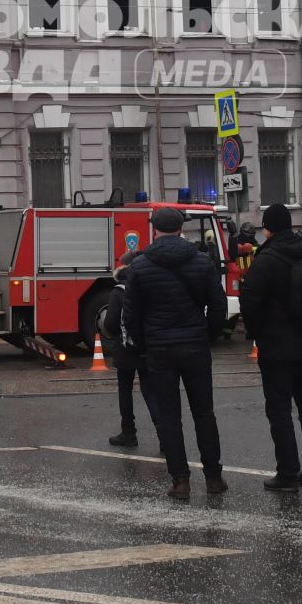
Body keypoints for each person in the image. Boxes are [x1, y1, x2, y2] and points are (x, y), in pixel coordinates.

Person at [122, 205, 227, 501]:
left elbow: (131, 316)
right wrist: (208, 334)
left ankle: (180, 481)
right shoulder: (202, 262)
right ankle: (214, 477)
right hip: (195, 345)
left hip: (159, 349)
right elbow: (218, 305)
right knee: (204, 412)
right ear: (182, 229)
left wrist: (145, 344)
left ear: (154, 230)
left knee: (169, 416)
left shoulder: (140, 267)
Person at [239, 203, 302, 491]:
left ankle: (288, 473)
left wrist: (257, 334)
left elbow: (250, 302)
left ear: (268, 228)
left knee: (279, 410)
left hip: (276, 348)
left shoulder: (266, 260)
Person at [103, 253, 154, 448]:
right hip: (147, 347)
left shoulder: (119, 291)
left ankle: (128, 433)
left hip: (125, 349)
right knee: (151, 390)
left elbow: (110, 322)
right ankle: (163, 435)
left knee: (125, 390)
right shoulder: (149, 287)